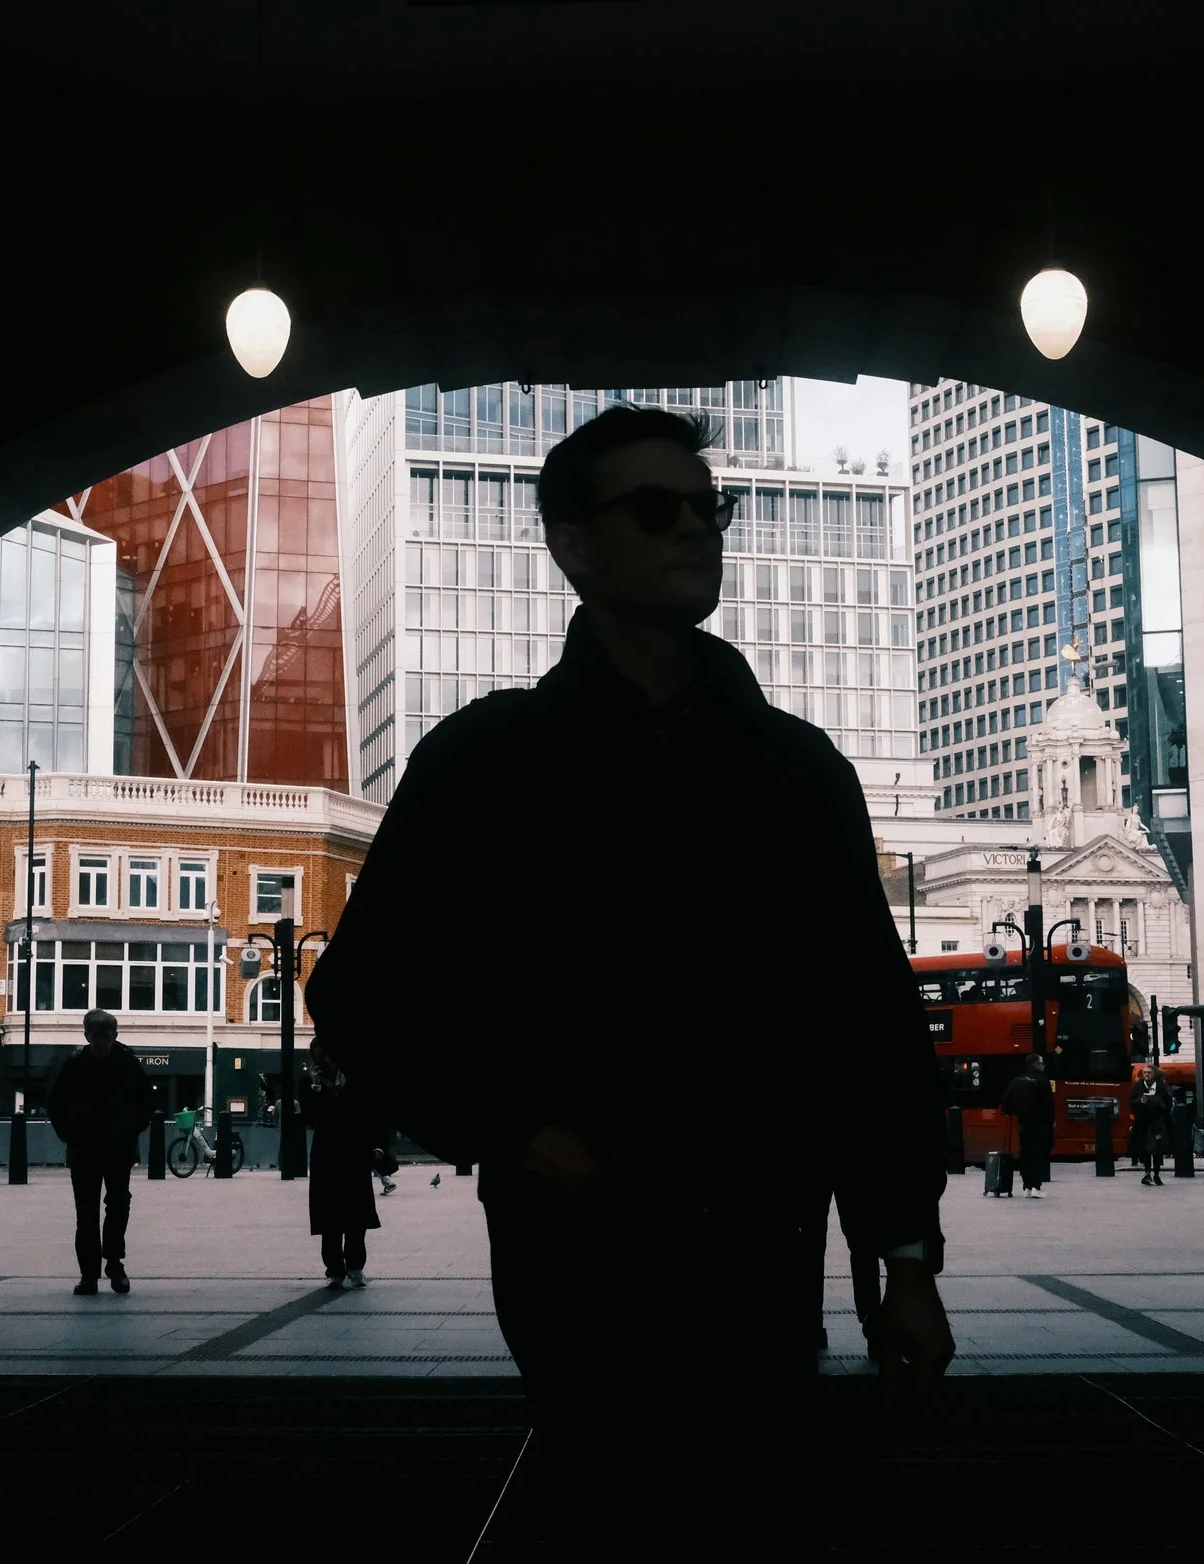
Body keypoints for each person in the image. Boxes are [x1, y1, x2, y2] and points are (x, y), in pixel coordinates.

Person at [303, 404, 952, 1467]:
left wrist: (908, 1260)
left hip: (761, 1254)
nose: (696, 527)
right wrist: (503, 1122)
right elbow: (360, 993)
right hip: (578, 1263)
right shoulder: (485, 762)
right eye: (657, 508)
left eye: (710, 506)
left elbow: (868, 1031)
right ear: (572, 545)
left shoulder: (798, 773)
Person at [47, 1008, 153, 1296]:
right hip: (91, 1149)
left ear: (114, 1035)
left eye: (104, 1036)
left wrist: (128, 1131)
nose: (101, 1042)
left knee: (111, 1207)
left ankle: (107, 1267)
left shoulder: (122, 1064)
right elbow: (56, 1105)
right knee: (93, 1211)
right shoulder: (83, 1065)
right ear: (88, 1035)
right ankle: (97, 1271)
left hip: (109, 1149)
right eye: (97, 1036)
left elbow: (145, 1105)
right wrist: (71, 1134)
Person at [303, 1042, 386, 1287]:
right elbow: (310, 1118)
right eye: (320, 1057)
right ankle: (335, 1269)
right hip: (326, 1157)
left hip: (354, 1154)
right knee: (329, 1217)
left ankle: (355, 1267)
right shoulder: (309, 1084)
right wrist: (316, 1088)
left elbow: (374, 1112)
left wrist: (379, 1145)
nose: (326, 1061)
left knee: (356, 1216)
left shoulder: (357, 1079)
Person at [1000, 1054, 1056, 1199]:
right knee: (1039, 1154)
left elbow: (1006, 1100)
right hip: (1041, 1124)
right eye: (1042, 1063)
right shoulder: (1043, 1081)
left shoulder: (1018, 1080)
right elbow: (1049, 1105)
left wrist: (1012, 1113)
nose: (1044, 1066)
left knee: (1026, 1155)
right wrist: (1051, 1122)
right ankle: (1036, 1187)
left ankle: (1027, 1187)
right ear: (1036, 1064)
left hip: (1024, 1124)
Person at [1130, 1064, 1170, 1185]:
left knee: (1157, 1150)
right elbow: (1131, 1101)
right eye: (1145, 1072)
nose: (1146, 1075)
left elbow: (1166, 1103)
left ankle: (1156, 1174)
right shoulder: (1139, 1085)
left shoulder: (1161, 1086)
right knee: (1146, 1149)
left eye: (1149, 1073)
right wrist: (1140, 1101)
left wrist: (1153, 1101)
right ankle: (1147, 1174)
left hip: (1157, 1122)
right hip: (1143, 1122)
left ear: (1154, 1074)